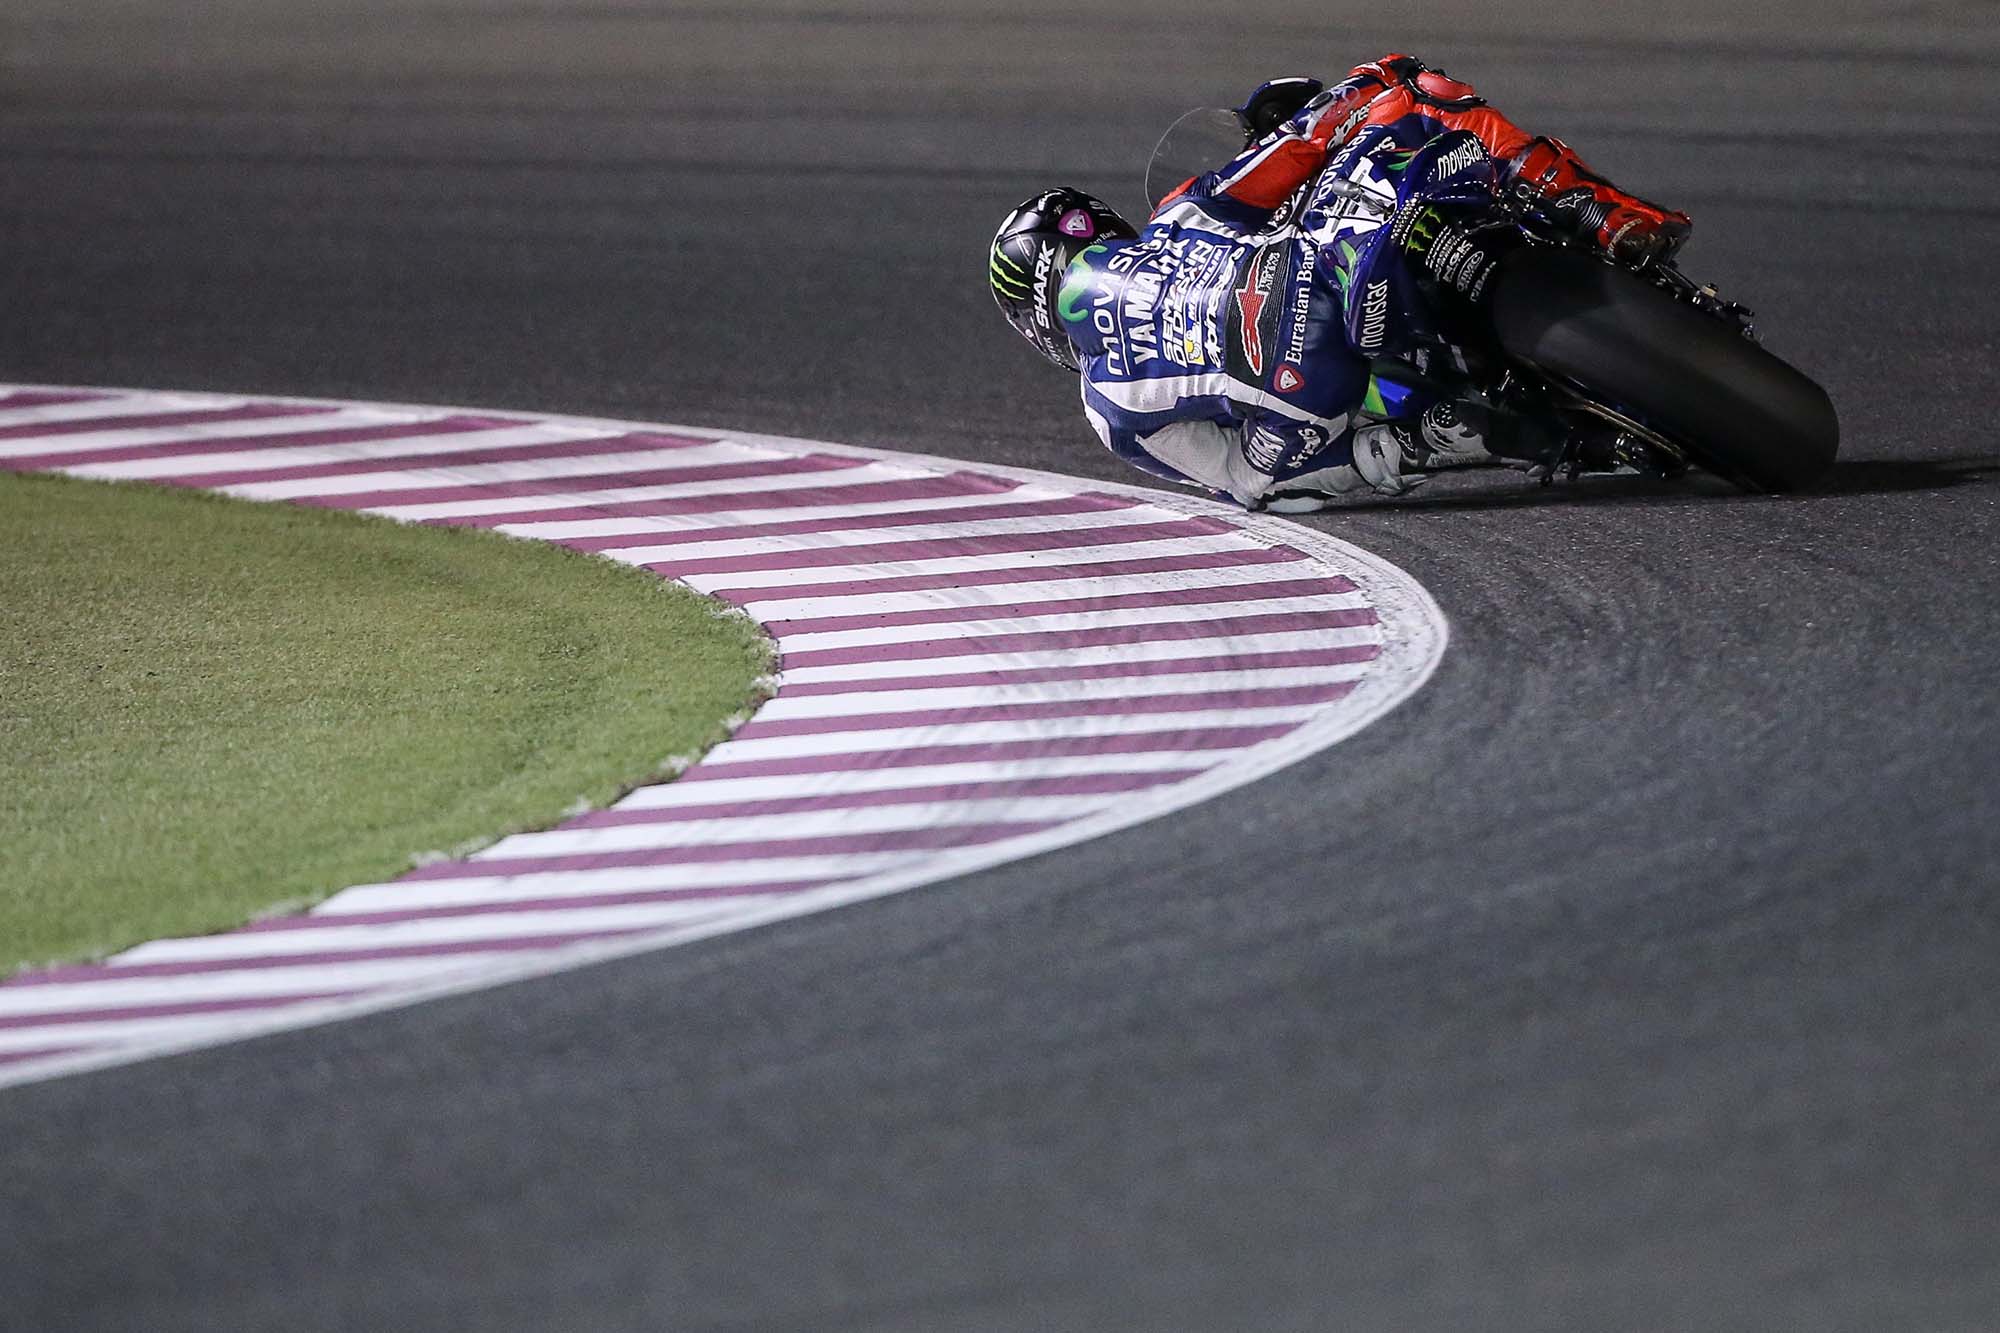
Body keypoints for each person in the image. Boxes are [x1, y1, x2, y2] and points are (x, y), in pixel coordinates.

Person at [988, 54, 1691, 509]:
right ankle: (1605, 214)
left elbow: (1241, 481)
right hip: (1324, 269)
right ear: (1105, 228)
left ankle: (1464, 437)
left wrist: (1372, 452)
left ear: (1037, 323)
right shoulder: (1178, 215)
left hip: (1308, 392)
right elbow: (1301, 147)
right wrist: (1335, 104)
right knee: (1405, 83)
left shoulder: (1106, 407)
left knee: (1271, 470)